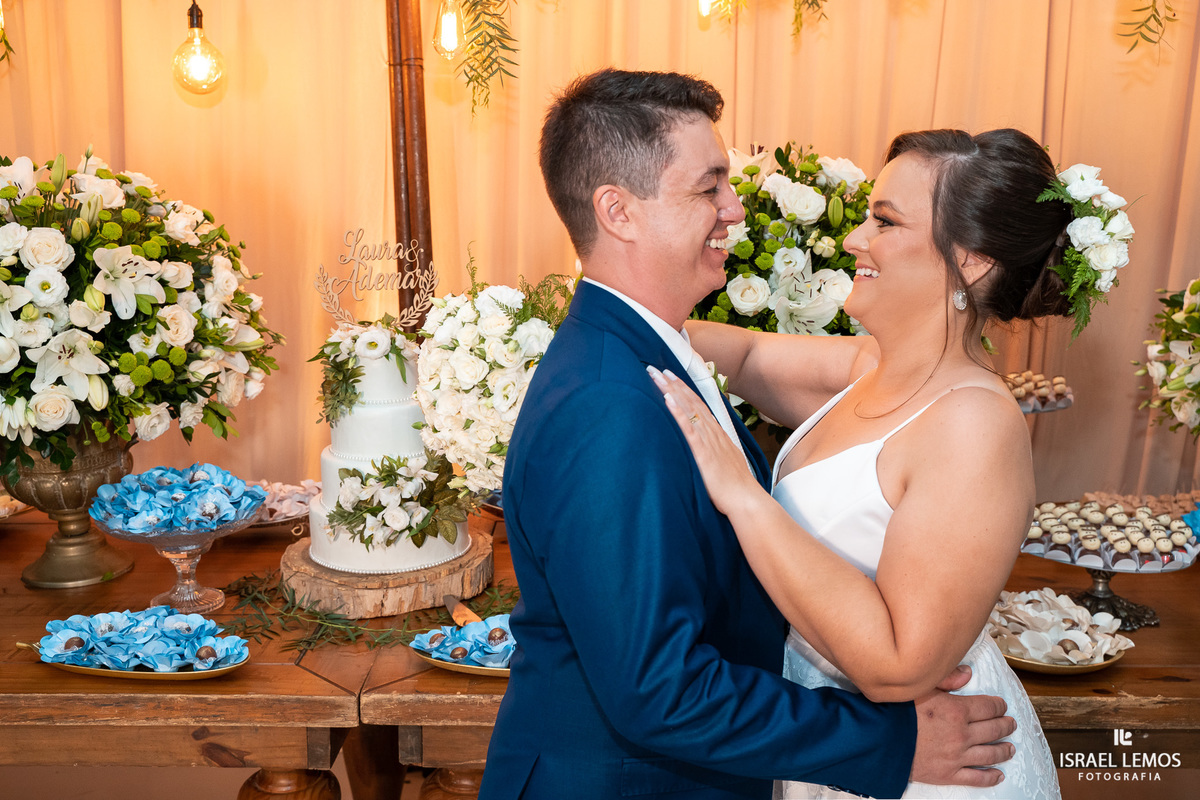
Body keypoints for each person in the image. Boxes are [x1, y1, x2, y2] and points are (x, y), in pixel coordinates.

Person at [478, 70, 1017, 800]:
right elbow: (659, 692)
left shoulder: (654, 351)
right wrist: (887, 742)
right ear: (619, 212)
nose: (735, 208)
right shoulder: (611, 402)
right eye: (710, 188)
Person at [651, 127, 1102, 799]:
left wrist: (743, 496)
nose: (855, 239)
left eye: (884, 222)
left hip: (931, 763)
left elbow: (898, 666)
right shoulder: (870, 367)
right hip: (839, 743)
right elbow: (739, 356)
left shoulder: (974, 424)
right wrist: (617, 323)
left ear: (971, 260)